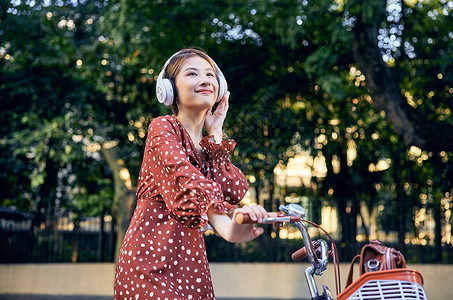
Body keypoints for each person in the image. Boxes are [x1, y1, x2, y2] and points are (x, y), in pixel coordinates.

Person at [114, 48, 267, 300]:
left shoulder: (209, 149)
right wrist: (226, 220)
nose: (206, 79)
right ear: (169, 89)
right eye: (192, 73)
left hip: (190, 269)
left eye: (210, 74)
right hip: (148, 265)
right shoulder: (163, 128)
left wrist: (215, 135)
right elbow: (189, 181)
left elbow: (230, 196)